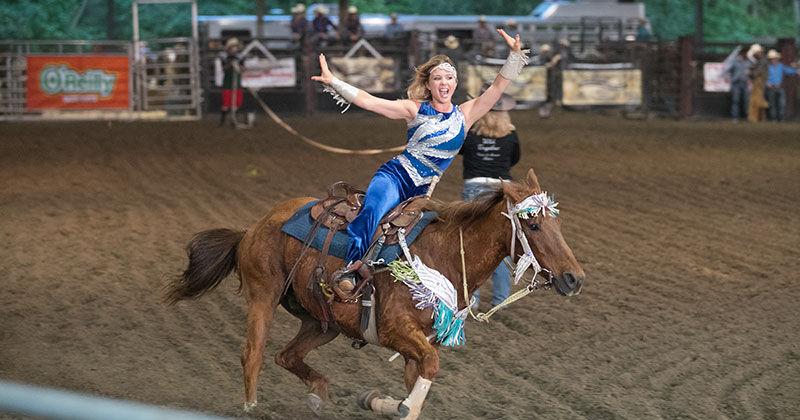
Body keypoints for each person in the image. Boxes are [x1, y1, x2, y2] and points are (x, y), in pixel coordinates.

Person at [311, 29, 528, 288]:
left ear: (455, 84)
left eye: (449, 77)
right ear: (428, 84)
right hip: (395, 178)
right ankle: (351, 269)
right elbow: (370, 101)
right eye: (437, 78)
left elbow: (497, 87)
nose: (444, 82)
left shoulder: (465, 115)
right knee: (372, 211)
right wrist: (334, 81)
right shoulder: (413, 109)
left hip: (422, 192)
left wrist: (514, 55)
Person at [459, 92, 519, 307]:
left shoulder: (471, 134)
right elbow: (514, 158)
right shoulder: (511, 136)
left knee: (471, 243)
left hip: (474, 188)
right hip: (500, 188)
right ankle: (501, 299)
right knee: (500, 246)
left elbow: (461, 152)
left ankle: (471, 298)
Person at [217, 37, 245, 126]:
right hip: (228, 83)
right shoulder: (225, 57)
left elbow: (242, 69)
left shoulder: (240, 57)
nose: (235, 48)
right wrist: (231, 63)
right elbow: (224, 68)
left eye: (236, 47)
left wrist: (238, 66)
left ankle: (234, 119)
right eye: (233, 46)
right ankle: (222, 121)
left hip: (237, 83)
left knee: (236, 103)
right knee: (226, 103)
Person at [765, 49, 798, 122]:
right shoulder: (768, 67)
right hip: (772, 87)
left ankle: (781, 118)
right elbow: (764, 77)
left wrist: (796, 71)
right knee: (772, 104)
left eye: (774, 58)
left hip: (779, 87)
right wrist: (767, 83)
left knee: (781, 103)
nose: (773, 60)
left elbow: (789, 71)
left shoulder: (781, 66)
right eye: (772, 59)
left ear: (777, 58)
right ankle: (774, 118)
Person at [726, 48, 751, 122]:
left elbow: (752, 72)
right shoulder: (735, 62)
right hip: (736, 83)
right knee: (736, 100)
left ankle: (746, 116)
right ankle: (735, 117)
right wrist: (730, 78)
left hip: (744, 83)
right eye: (744, 53)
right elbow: (728, 71)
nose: (745, 54)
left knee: (746, 101)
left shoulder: (749, 62)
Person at [747, 44, 768, 123]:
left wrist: (750, 73)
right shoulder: (761, 61)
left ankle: (755, 118)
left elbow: (758, 72)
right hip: (760, 83)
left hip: (759, 83)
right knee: (759, 100)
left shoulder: (762, 61)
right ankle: (761, 118)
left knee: (757, 100)